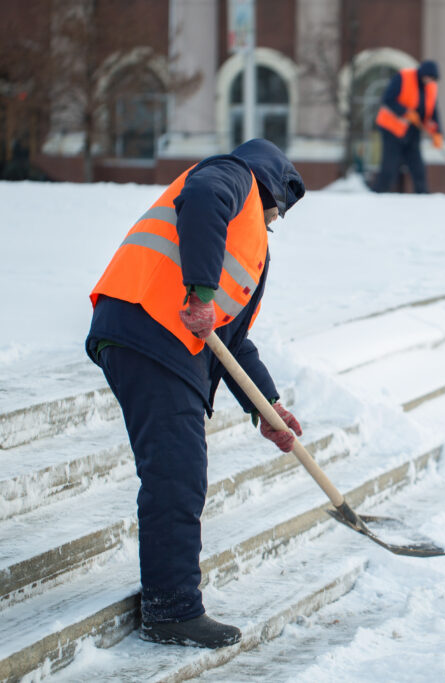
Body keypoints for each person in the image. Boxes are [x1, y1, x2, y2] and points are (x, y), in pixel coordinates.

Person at [85, 139, 306, 649]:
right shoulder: (231, 177)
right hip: (150, 330)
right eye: (276, 211)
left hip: (156, 339)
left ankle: (172, 602)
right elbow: (203, 198)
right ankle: (171, 608)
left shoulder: (250, 243)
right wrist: (200, 293)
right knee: (177, 471)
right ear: (270, 184)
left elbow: (234, 341)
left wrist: (265, 408)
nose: (273, 221)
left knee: (178, 469)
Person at [372, 60, 443, 194]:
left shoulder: (431, 87)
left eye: (433, 78)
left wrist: (437, 133)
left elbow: (433, 111)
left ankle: (423, 196)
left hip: (412, 131)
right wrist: (405, 112)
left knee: (418, 167)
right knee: (390, 166)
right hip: (391, 128)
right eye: (428, 77)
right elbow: (387, 99)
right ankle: (379, 194)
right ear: (422, 74)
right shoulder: (404, 77)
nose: (430, 80)